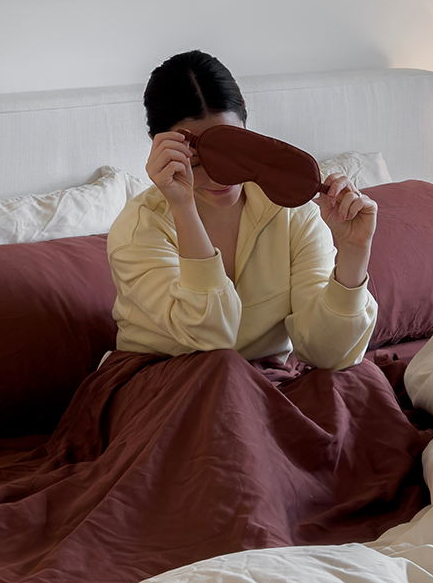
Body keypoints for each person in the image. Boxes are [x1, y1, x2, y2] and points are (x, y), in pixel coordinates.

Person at [108, 50, 379, 370]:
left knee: (357, 385)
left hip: (265, 384)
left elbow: (329, 355)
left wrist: (354, 250)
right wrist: (183, 207)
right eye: (195, 162)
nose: (219, 177)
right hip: (164, 384)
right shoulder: (139, 228)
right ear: (158, 145)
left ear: (246, 123)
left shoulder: (293, 212)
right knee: (225, 381)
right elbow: (212, 339)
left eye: (231, 151)